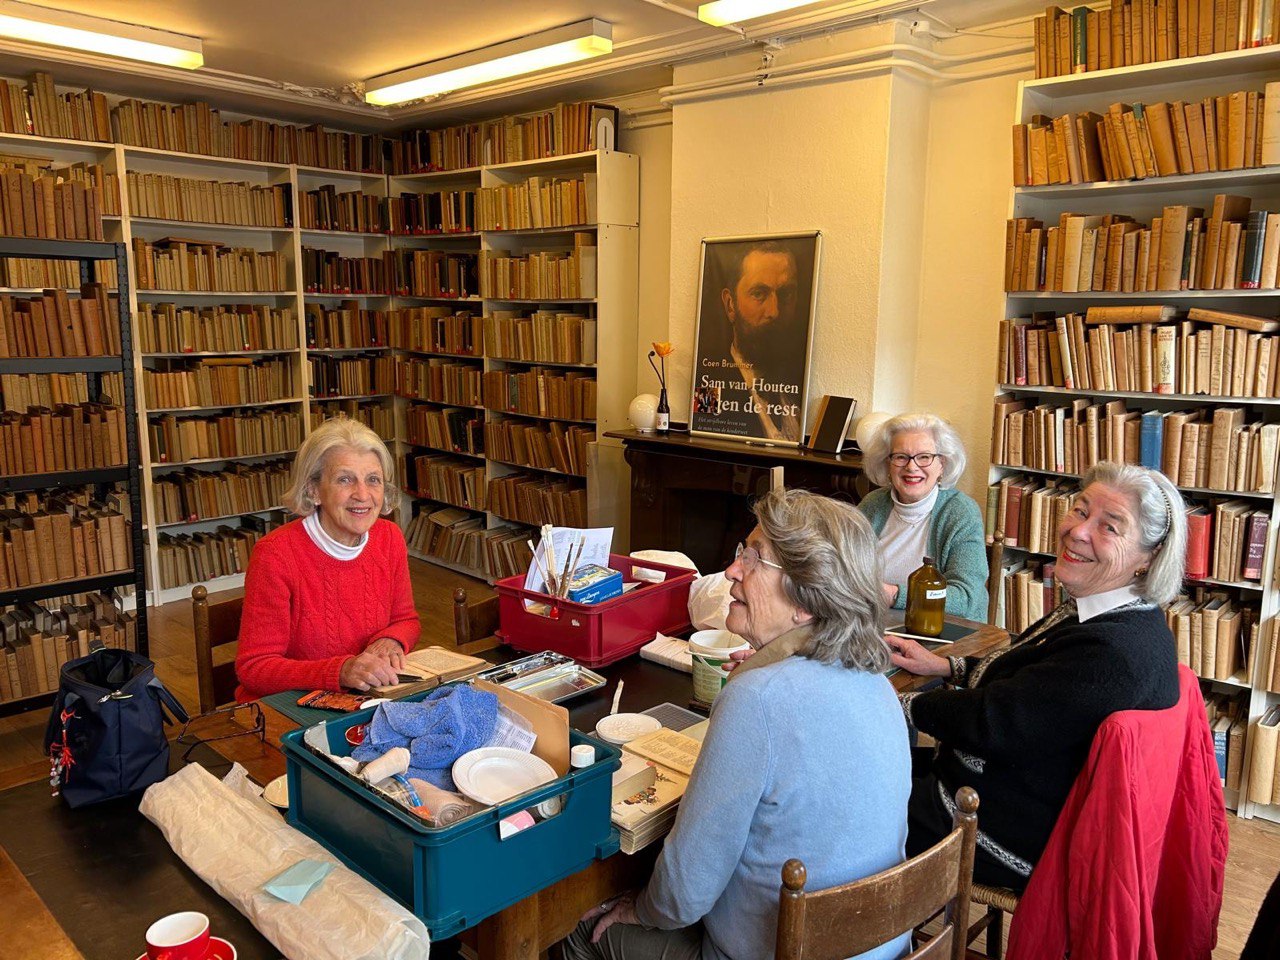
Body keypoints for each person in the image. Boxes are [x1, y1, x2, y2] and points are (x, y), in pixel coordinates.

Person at [560, 488, 911, 960]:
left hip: (779, 952)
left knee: (582, 929)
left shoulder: (759, 699)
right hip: (878, 942)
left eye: (755, 557)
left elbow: (685, 891)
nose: (731, 570)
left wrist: (639, 910)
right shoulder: (876, 682)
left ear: (806, 600)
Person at [889, 461, 1184, 891]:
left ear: (1149, 558)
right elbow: (1034, 685)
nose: (1078, 532)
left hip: (1005, 828)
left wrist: (895, 702)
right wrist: (945, 666)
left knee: (841, 798)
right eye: (1080, 511)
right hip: (1006, 789)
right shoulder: (1116, 612)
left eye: (1110, 527)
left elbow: (995, 720)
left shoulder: (1113, 652)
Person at [235, 418, 420, 700]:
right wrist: (341, 670)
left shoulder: (389, 537)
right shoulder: (275, 555)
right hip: (290, 708)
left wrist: (392, 639)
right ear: (313, 490)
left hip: (363, 699)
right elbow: (254, 668)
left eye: (373, 480)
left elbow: (406, 619)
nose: (363, 495)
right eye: (345, 479)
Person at [857, 412, 988, 621]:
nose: (911, 466)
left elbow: (966, 598)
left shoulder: (961, 512)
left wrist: (894, 595)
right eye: (900, 457)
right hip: (869, 628)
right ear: (887, 463)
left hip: (938, 635)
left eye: (924, 457)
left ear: (942, 464)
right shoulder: (873, 504)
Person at [695, 241, 808, 443]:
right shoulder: (708, 383)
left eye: (786, 294)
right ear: (731, 305)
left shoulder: (802, 379)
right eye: (759, 294)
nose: (774, 312)